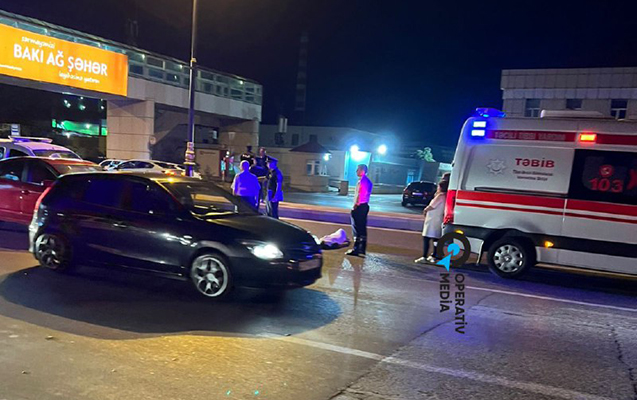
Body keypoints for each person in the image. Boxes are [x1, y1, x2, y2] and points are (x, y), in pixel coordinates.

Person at [415, 180, 448, 264]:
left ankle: (424, 256)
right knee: (436, 239)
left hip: (432, 220)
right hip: (438, 219)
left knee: (426, 238)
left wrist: (425, 210)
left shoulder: (440, 196)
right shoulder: (446, 196)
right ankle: (434, 255)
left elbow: (431, 206)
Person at [346, 164, 373, 256]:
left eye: (358, 169)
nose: (356, 171)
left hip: (360, 206)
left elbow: (360, 194)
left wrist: (355, 205)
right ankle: (362, 248)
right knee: (362, 228)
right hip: (364, 206)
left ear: (362, 171)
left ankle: (356, 248)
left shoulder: (362, 181)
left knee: (356, 228)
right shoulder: (368, 181)